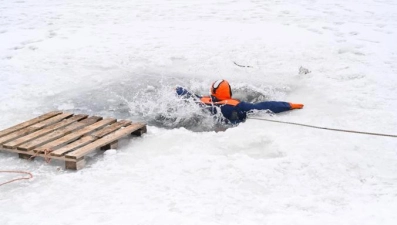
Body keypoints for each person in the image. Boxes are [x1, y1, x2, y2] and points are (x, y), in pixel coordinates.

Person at [176, 79, 303, 124]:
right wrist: (288, 105)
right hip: (230, 124)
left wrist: (178, 89)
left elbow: (189, 95)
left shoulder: (204, 100)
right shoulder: (235, 105)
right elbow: (263, 106)